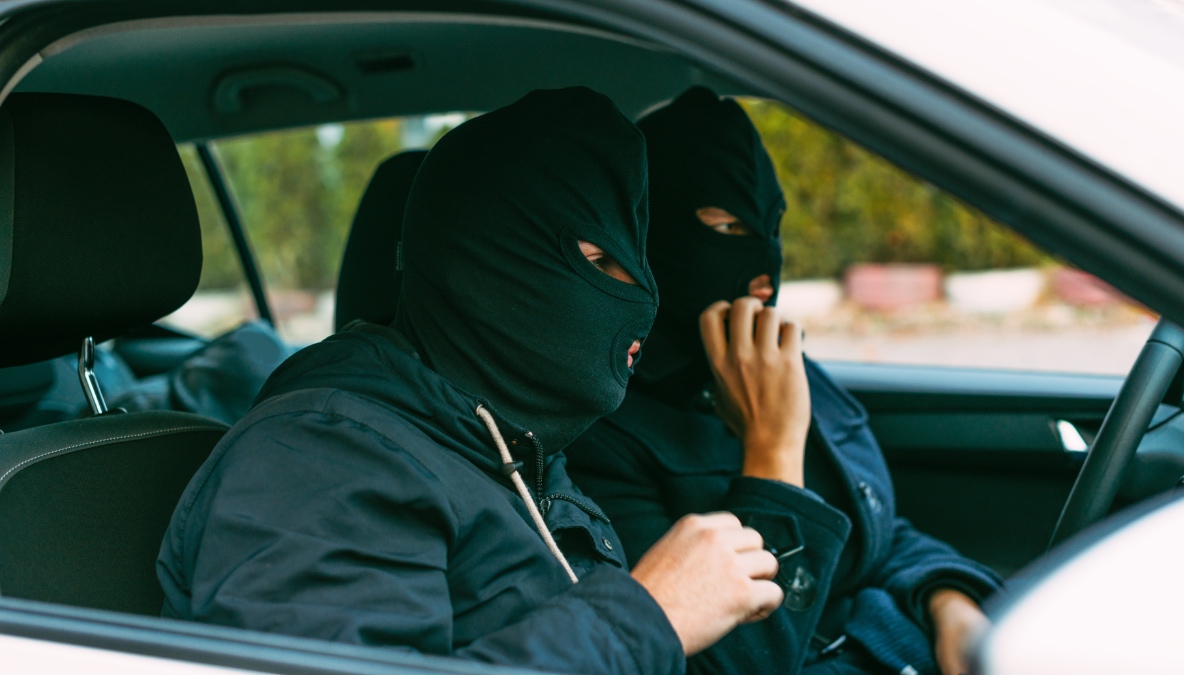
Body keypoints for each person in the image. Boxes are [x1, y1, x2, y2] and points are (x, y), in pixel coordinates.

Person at [157, 87, 785, 674]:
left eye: (634, 263)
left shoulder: (511, 445)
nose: (639, 297)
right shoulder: (318, 459)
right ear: (489, 259)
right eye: (596, 261)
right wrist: (650, 617)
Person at [564, 87, 1003, 675]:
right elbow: (729, 658)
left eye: (772, 226)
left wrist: (949, 602)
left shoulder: (780, 362)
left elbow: (871, 533)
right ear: (650, 232)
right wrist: (772, 452)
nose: (765, 265)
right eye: (726, 227)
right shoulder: (600, 430)